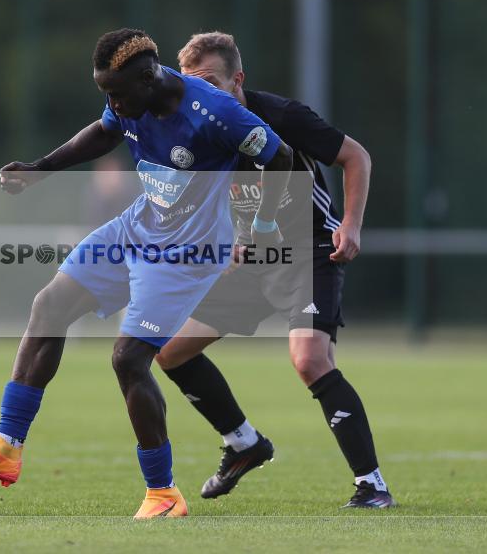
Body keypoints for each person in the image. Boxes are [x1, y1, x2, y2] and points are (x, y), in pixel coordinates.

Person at [0, 28, 293, 518]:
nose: (113, 104)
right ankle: (6, 446)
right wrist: (41, 168)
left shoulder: (216, 112)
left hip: (188, 254)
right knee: (49, 306)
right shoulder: (129, 101)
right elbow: (104, 133)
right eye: (106, 93)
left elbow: (282, 158)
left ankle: (163, 494)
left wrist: (265, 224)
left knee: (128, 359)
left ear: (149, 78)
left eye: (118, 93)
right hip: (138, 229)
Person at [154, 32, 395, 508]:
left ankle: (372, 485)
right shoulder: (198, 129)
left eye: (210, 83)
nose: (200, 95)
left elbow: (356, 157)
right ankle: (243, 443)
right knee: (170, 352)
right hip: (252, 258)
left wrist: (351, 224)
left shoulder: (282, 117)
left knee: (309, 359)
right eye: (191, 86)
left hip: (309, 251)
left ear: (238, 79)